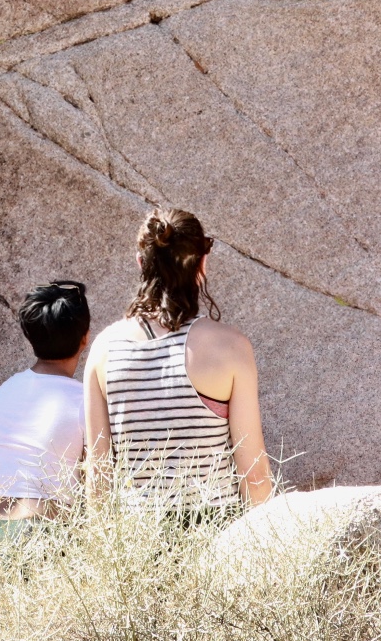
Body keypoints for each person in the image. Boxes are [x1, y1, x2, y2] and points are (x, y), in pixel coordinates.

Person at [83, 209, 275, 512]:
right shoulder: (230, 347)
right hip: (215, 537)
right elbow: (254, 474)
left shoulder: (104, 349)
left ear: (140, 263)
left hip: (136, 541)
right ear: (202, 264)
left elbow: (99, 475)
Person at [0, 281, 92, 526]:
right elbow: (99, 480)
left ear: (30, 336)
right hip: (51, 538)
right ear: (85, 338)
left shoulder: (1, 394)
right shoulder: (84, 401)